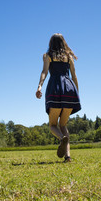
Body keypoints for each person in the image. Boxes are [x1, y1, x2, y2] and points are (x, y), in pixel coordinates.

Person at [36, 33, 81, 163]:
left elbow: (44, 72)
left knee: (53, 125)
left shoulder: (47, 56)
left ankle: (62, 138)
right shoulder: (69, 57)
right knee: (63, 124)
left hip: (55, 89)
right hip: (69, 90)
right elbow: (74, 76)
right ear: (63, 43)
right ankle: (68, 157)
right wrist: (76, 94)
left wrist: (39, 86)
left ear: (51, 43)